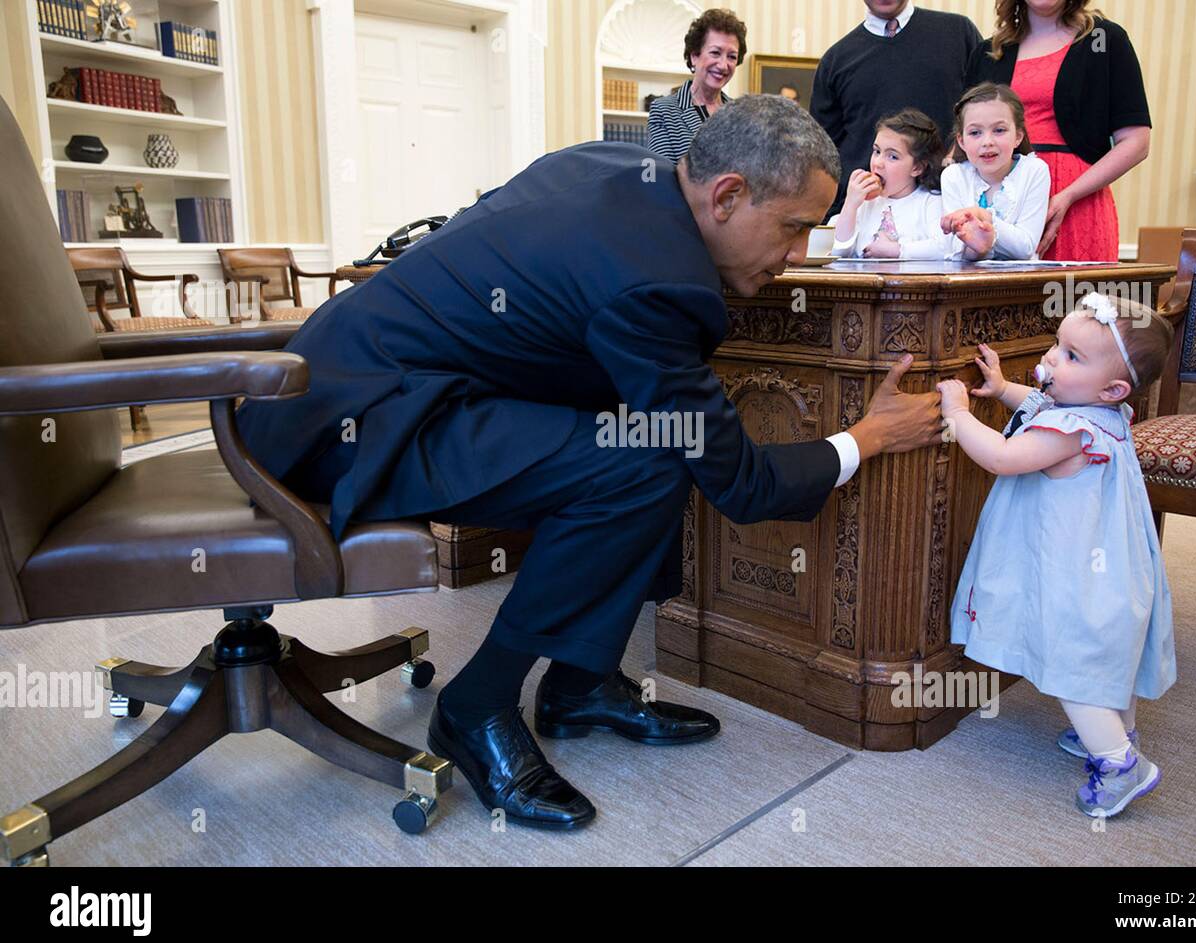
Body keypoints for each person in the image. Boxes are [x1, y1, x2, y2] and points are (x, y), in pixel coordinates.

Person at [235, 95, 943, 831]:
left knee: (656, 444)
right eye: (794, 228)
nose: (797, 254)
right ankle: (474, 708)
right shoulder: (659, 283)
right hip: (352, 422)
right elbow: (740, 483)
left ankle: (580, 685)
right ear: (727, 195)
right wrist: (868, 437)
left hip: (352, 380)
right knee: (640, 465)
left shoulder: (619, 168)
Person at [937, 292, 1175, 818]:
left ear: (1111, 387)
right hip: (1112, 567)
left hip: (1073, 575)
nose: (1050, 358)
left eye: (1070, 356)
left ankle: (1119, 763)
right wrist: (1001, 389)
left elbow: (1002, 457)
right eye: (1058, 344)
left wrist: (957, 412)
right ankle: (1120, 731)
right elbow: (1042, 401)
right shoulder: (1102, 413)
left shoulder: (1068, 432)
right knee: (1106, 655)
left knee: (1075, 666)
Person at [964, 0, 1151, 260]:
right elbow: (965, 137)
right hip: (1001, 200)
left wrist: (1068, 196)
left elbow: (1136, 142)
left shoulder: (1105, 40)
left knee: (1075, 300)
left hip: (1078, 200)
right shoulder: (988, 52)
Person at [811, 0, 981, 217]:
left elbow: (989, 109)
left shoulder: (958, 34)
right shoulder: (836, 60)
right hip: (868, 213)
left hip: (951, 207)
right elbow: (824, 154)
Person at [940, 82, 1051, 260]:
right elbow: (956, 249)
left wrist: (985, 217)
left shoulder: (1034, 171)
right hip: (965, 281)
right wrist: (979, 248)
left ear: (1018, 137)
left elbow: (1026, 247)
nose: (987, 142)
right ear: (961, 141)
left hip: (1021, 282)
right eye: (975, 133)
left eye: (999, 130)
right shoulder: (953, 176)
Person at [828, 108, 946, 259]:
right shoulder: (865, 204)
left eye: (892, 156)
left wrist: (898, 250)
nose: (878, 163)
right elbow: (836, 251)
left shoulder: (930, 202)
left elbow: (945, 248)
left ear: (917, 167)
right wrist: (850, 205)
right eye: (877, 151)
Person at [646, 8, 746, 164]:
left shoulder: (741, 114)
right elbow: (658, 176)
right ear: (694, 56)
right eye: (715, 53)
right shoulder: (664, 110)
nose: (723, 65)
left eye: (732, 57)